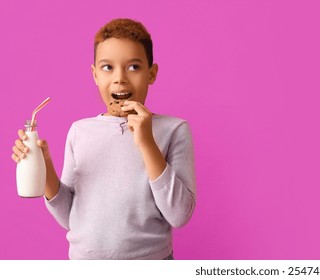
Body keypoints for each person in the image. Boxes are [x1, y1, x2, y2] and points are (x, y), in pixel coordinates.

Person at [10, 18, 196, 260]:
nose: (119, 78)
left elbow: (179, 215)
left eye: (133, 67)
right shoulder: (79, 131)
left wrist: (147, 142)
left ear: (152, 73)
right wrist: (44, 169)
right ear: (95, 74)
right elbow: (69, 218)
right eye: (107, 67)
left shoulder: (174, 130)